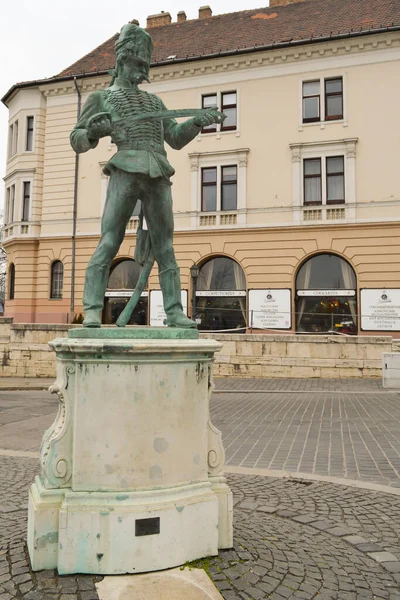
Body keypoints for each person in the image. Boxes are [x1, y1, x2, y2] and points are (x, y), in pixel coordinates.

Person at [70, 22, 224, 327]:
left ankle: (174, 312)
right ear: (121, 62)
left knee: (165, 246)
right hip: (125, 169)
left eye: (145, 65)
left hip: (158, 173)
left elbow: (176, 139)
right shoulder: (101, 98)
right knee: (110, 240)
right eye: (137, 64)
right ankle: (91, 308)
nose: (141, 71)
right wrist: (93, 133)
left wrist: (196, 123)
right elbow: (77, 139)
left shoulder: (155, 102)